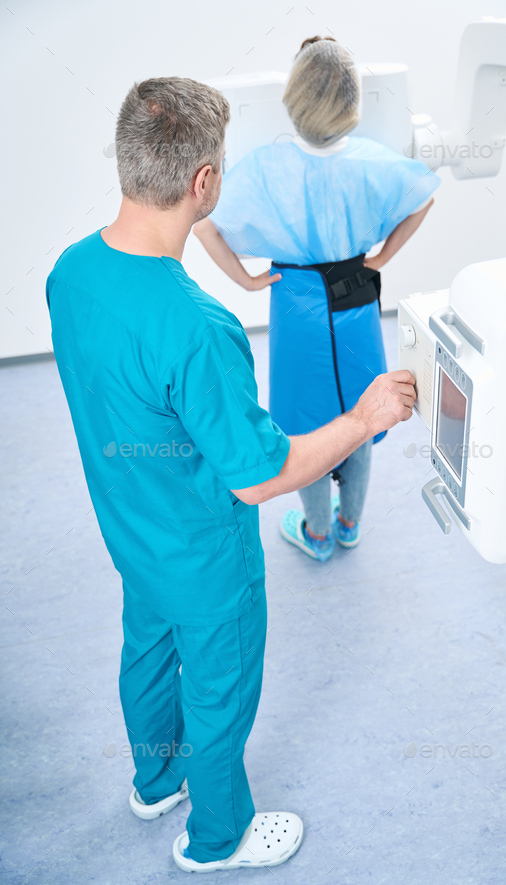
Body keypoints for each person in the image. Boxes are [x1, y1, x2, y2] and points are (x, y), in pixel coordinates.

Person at [46, 77, 417, 873]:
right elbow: (261, 475)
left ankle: (155, 780)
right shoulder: (201, 328)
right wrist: (365, 418)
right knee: (219, 690)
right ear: (203, 183)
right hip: (207, 557)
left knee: (146, 647)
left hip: (132, 530)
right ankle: (219, 836)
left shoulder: (68, 273)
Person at [194, 36, 439, 562]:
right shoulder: (375, 163)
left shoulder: (262, 168)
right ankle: (350, 524)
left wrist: (247, 281)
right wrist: (382, 257)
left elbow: (205, 225)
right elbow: (424, 197)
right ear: (353, 106)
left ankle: (318, 532)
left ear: (292, 101)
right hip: (355, 299)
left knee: (305, 421)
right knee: (362, 409)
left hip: (295, 304)